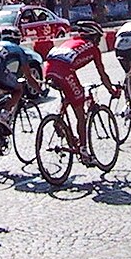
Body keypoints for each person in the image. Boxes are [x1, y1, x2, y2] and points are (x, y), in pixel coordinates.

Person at [42, 20, 121, 165]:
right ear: (93, 37)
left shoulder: (72, 41)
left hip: (48, 69)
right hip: (64, 71)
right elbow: (102, 74)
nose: (98, 41)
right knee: (80, 113)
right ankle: (84, 152)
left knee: (70, 94)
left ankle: (59, 121)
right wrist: (112, 91)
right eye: (98, 38)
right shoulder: (93, 48)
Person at [0, 29, 42, 136]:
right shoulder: (17, 49)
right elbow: (29, 77)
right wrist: (40, 90)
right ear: (16, 40)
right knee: (18, 89)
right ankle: (4, 115)